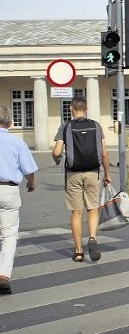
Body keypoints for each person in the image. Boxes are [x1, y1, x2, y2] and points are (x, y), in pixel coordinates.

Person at [52, 97, 111, 263]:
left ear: (71, 108)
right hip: (93, 172)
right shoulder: (96, 126)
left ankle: (78, 252)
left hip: (73, 173)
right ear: (87, 108)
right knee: (93, 208)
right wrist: (107, 174)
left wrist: (56, 159)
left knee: (76, 212)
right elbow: (104, 153)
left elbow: (57, 152)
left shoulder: (65, 126)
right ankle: (92, 238)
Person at [0, 105, 38, 295]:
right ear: (10, 123)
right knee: (8, 234)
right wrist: (32, 183)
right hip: (9, 190)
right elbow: (29, 170)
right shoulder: (17, 143)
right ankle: (4, 275)